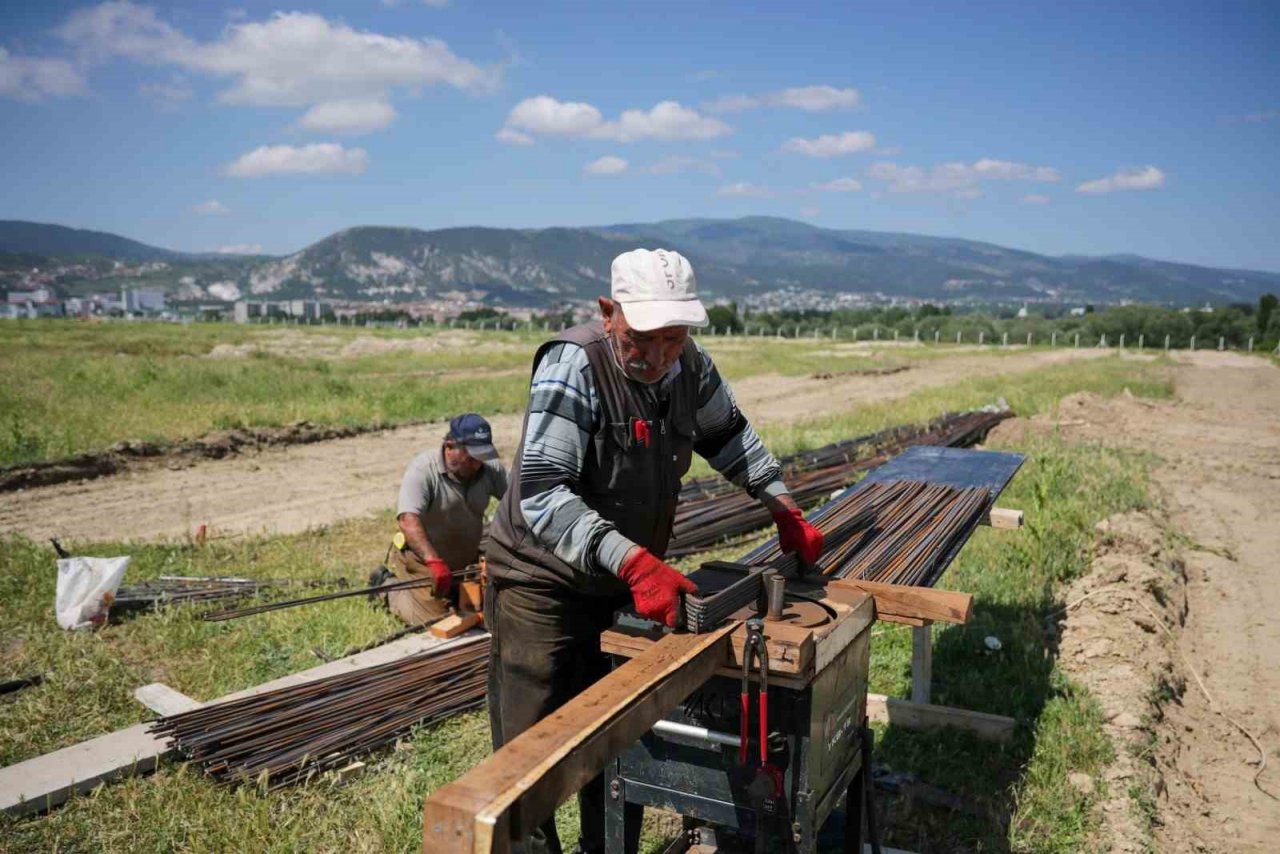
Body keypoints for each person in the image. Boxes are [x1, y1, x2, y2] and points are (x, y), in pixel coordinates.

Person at [485, 248, 824, 854]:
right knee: (528, 758)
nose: (659, 355)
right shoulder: (575, 366)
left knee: (614, 741)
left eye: (674, 338)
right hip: (542, 586)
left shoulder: (687, 367)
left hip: (618, 581)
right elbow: (541, 492)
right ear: (609, 312)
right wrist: (637, 562)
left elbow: (729, 435)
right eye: (645, 338)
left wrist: (781, 503)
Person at [383, 413, 508, 625]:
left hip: (465, 561)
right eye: (471, 457)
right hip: (425, 561)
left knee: (486, 609)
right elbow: (407, 520)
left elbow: (517, 504)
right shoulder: (423, 470)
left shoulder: (489, 468)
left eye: (482, 456)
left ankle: (453, 591)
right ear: (449, 447)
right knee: (436, 622)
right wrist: (433, 561)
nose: (478, 464)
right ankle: (389, 588)